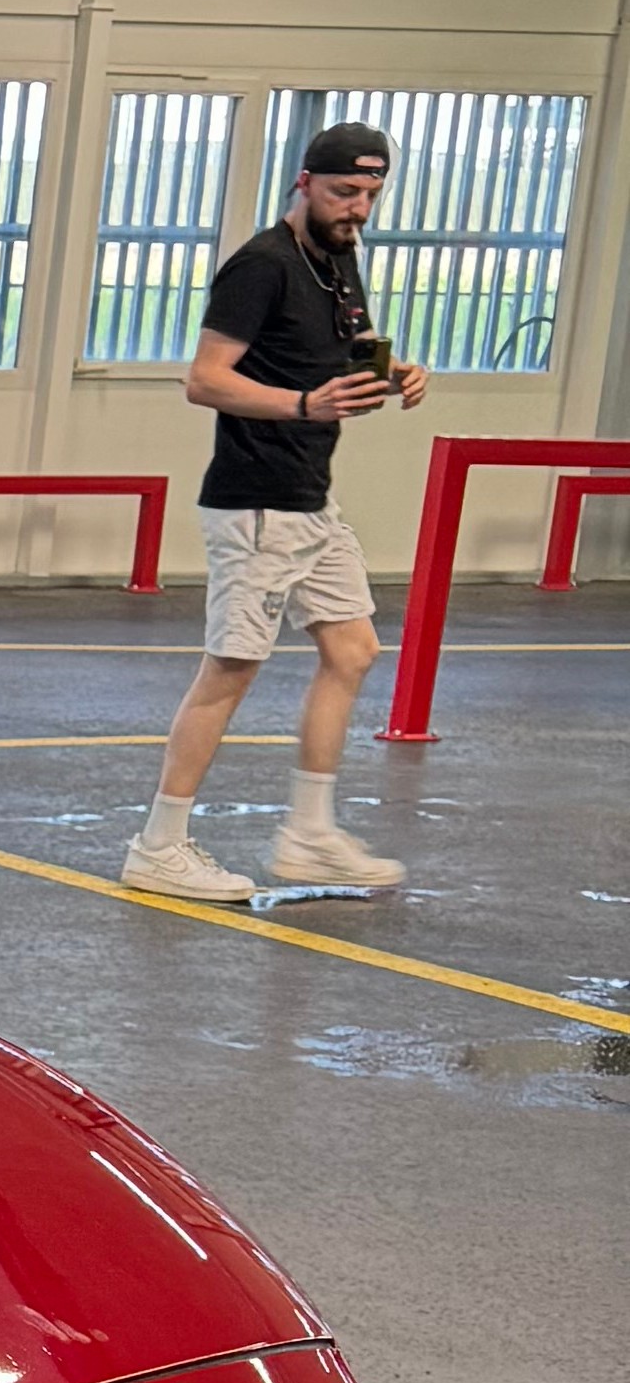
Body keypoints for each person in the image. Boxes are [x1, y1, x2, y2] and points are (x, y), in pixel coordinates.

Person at [120, 120, 424, 904]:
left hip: (310, 499)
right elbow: (205, 379)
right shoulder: (261, 267)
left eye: (369, 195)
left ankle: (310, 834)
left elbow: (342, 352)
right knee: (229, 670)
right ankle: (158, 845)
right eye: (343, 192)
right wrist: (302, 403)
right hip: (255, 503)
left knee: (352, 649)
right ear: (303, 183)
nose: (357, 208)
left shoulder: (339, 256)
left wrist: (395, 373)